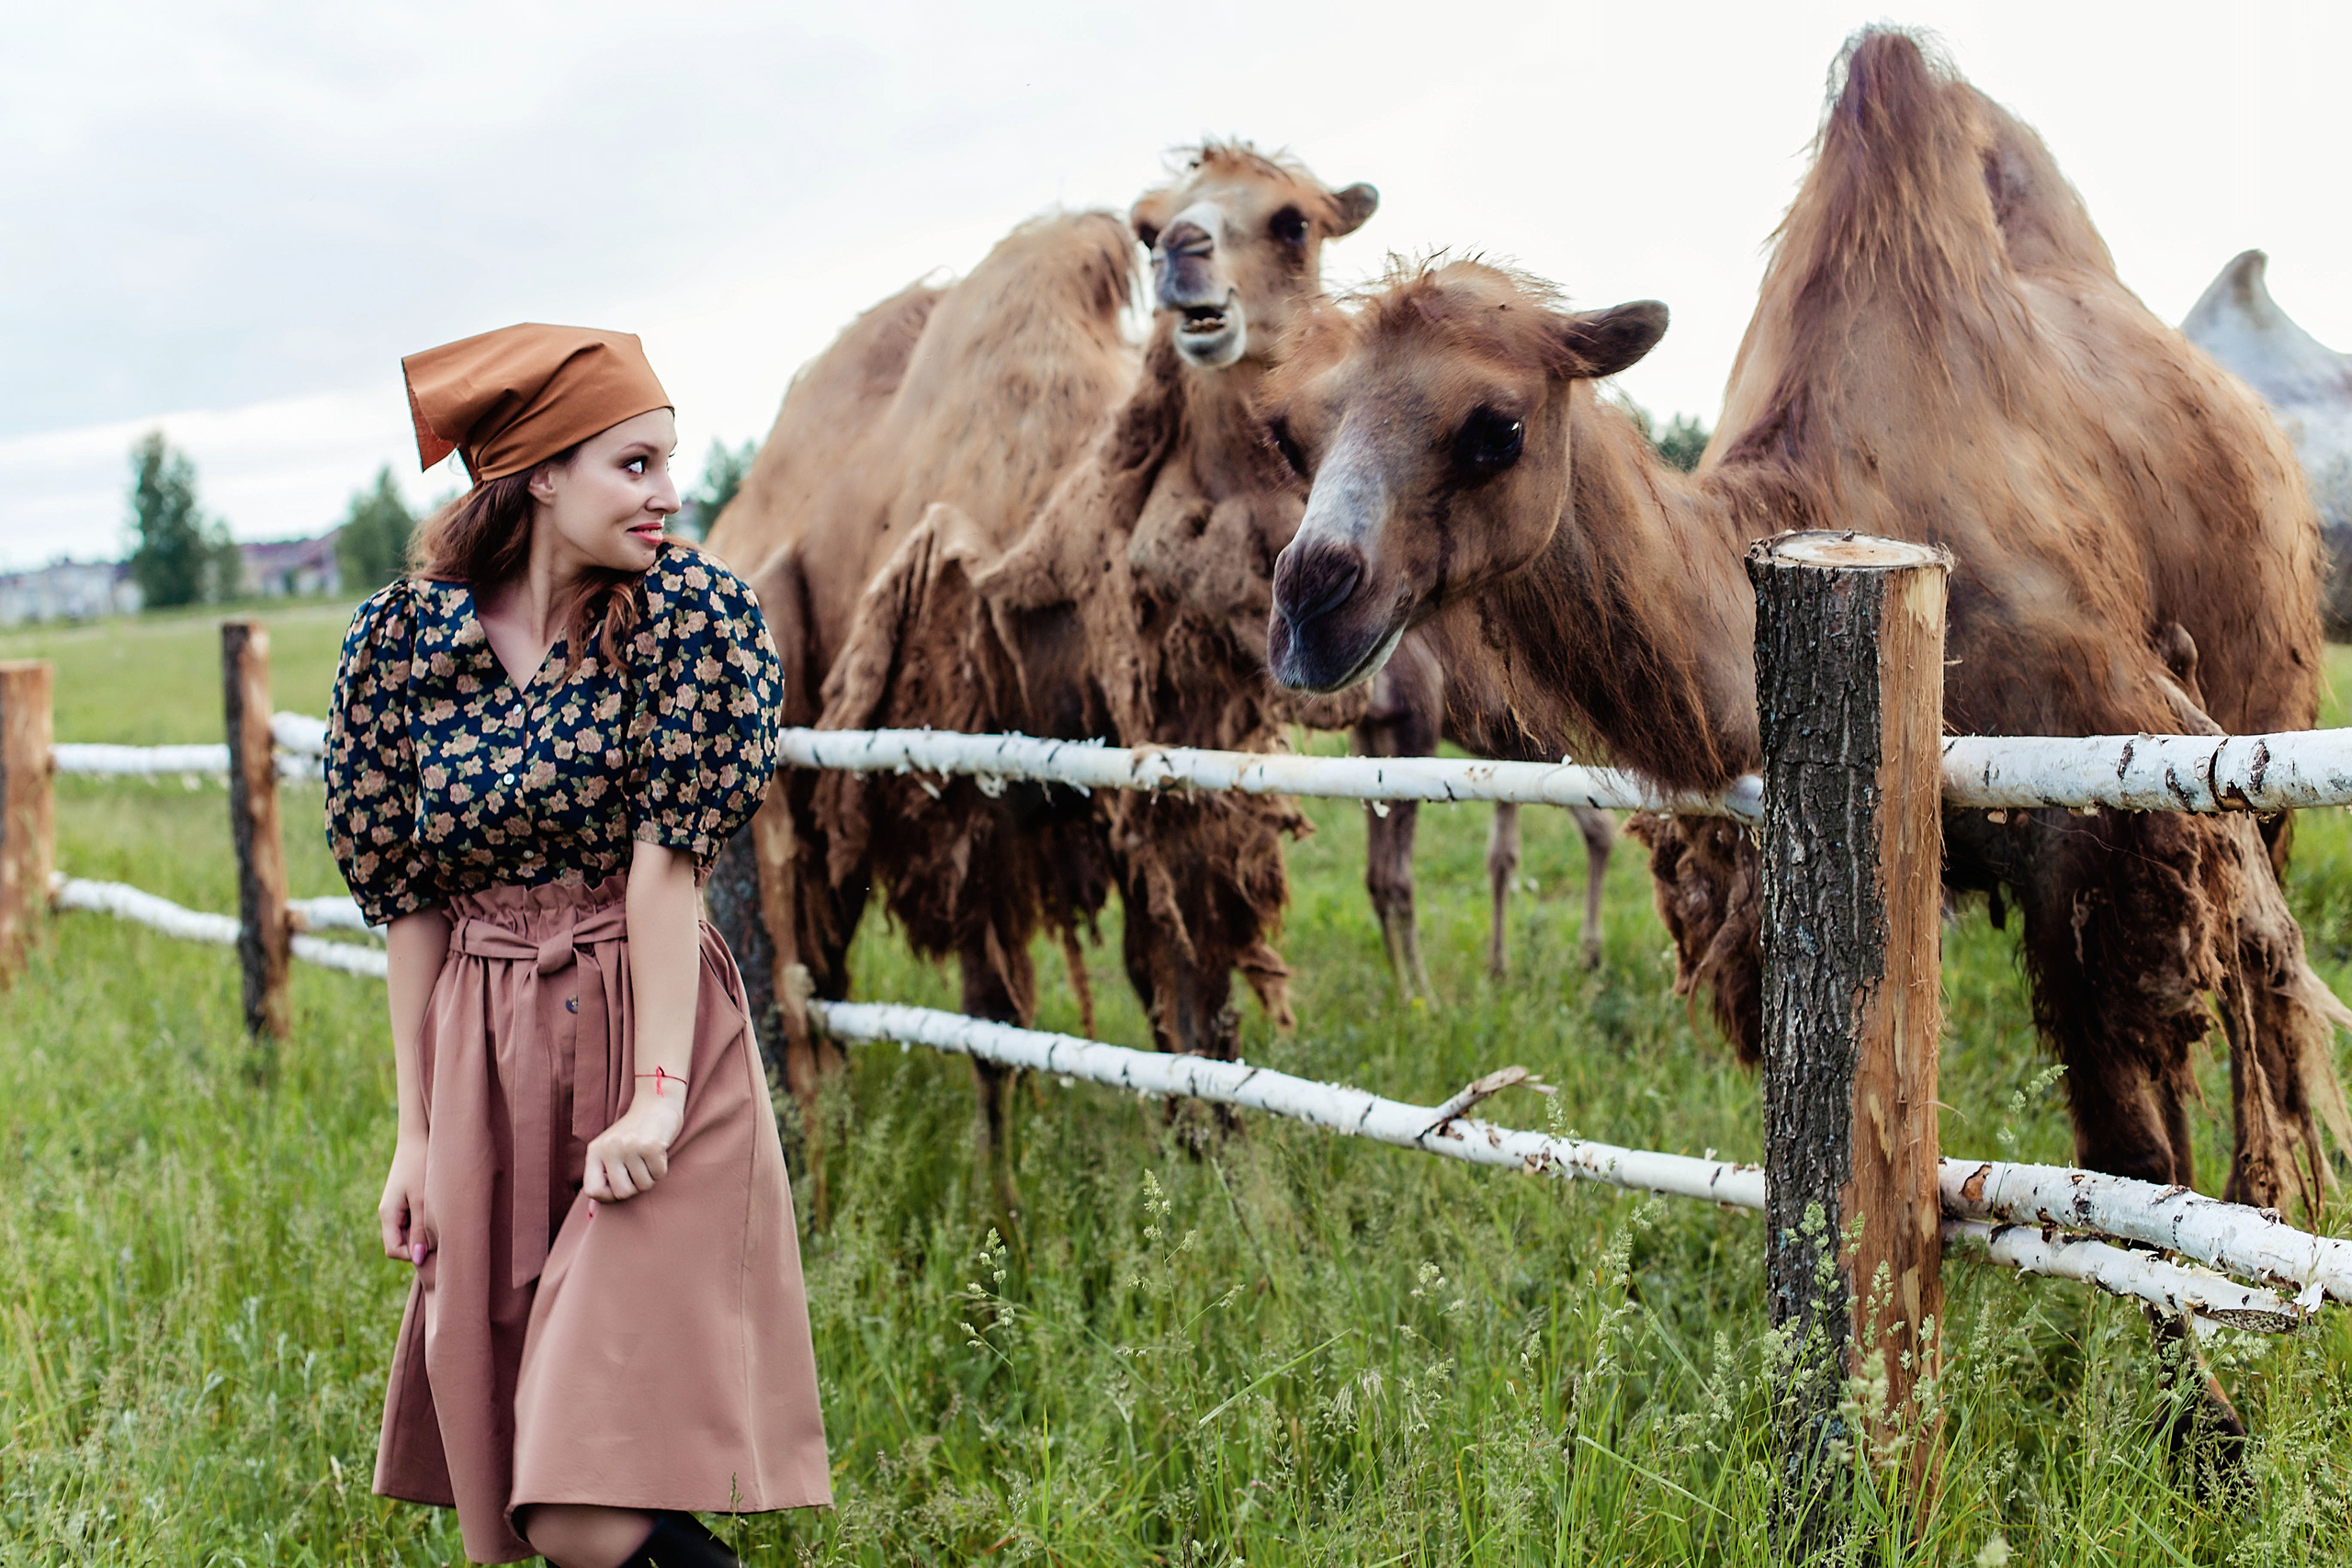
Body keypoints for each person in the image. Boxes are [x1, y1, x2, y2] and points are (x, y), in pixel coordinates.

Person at [325, 323, 831, 1567]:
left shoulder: (688, 620)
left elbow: (667, 872)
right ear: (542, 473)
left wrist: (657, 1099)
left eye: (670, 464)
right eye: (636, 465)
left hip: (655, 1031)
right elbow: (412, 906)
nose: (670, 496)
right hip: (483, 1050)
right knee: (536, 1462)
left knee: (584, 1496)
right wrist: (416, 1133)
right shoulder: (402, 647)